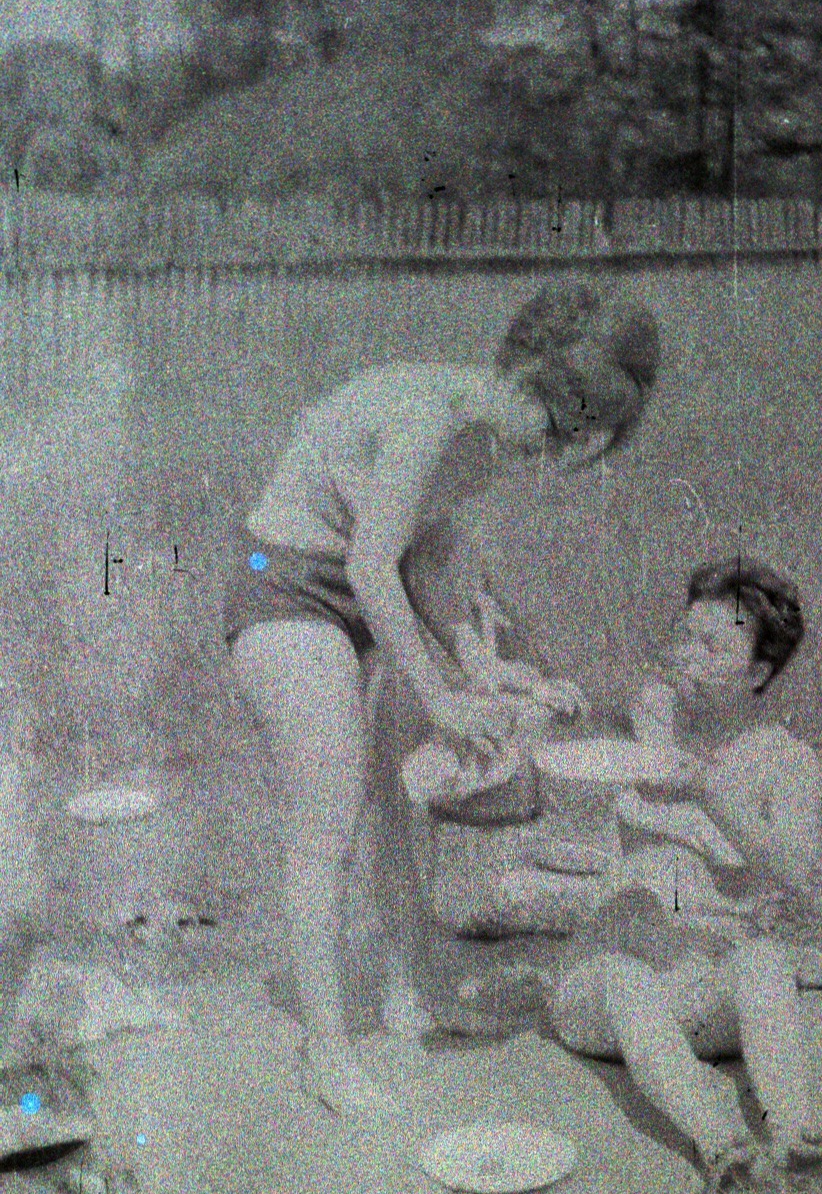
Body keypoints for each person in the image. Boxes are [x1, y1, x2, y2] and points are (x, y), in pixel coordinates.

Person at [222, 284, 660, 1116]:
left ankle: (412, 992)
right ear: (534, 379)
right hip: (284, 585)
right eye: (559, 431)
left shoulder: (491, 428)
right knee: (329, 815)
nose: (553, 454)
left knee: (399, 804)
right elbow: (368, 566)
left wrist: (477, 662)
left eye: (577, 443)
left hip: (364, 584)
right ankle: (328, 1052)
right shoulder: (433, 416)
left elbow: (426, 548)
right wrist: (442, 696)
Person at [546, 557, 822, 1181]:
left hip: (702, 990)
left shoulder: (786, 763)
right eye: (684, 637)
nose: (684, 656)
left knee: (763, 962)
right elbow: (567, 773)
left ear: (757, 673)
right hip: (603, 987)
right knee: (627, 980)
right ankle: (721, 1143)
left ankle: (797, 1135)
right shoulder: (645, 730)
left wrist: (708, 789)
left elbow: (796, 876)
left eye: (711, 646)